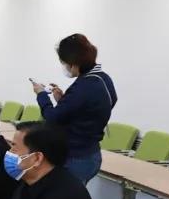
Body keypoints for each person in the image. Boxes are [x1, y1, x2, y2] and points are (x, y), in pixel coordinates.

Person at [31, 34, 117, 184]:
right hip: (92, 153)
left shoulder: (84, 86)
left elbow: (52, 117)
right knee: (75, 195)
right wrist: (64, 101)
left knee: (66, 197)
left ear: (74, 63)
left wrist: (41, 95)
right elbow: (95, 106)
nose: (65, 67)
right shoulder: (103, 78)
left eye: (64, 62)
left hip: (76, 158)